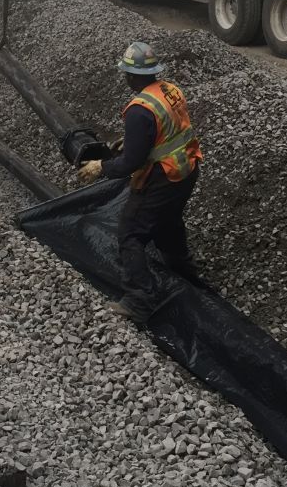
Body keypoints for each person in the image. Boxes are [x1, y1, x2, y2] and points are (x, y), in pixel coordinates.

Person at [78, 42, 203, 320]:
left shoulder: (139, 110)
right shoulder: (169, 91)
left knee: (131, 233)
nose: (125, 78)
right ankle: (186, 273)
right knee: (168, 220)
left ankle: (140, 299)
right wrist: (135, 141)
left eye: (126, 74)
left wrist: (102, 166)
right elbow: (169, 129)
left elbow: (130, 164)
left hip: (163, 178)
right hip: (187, 171)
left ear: (132, 76)